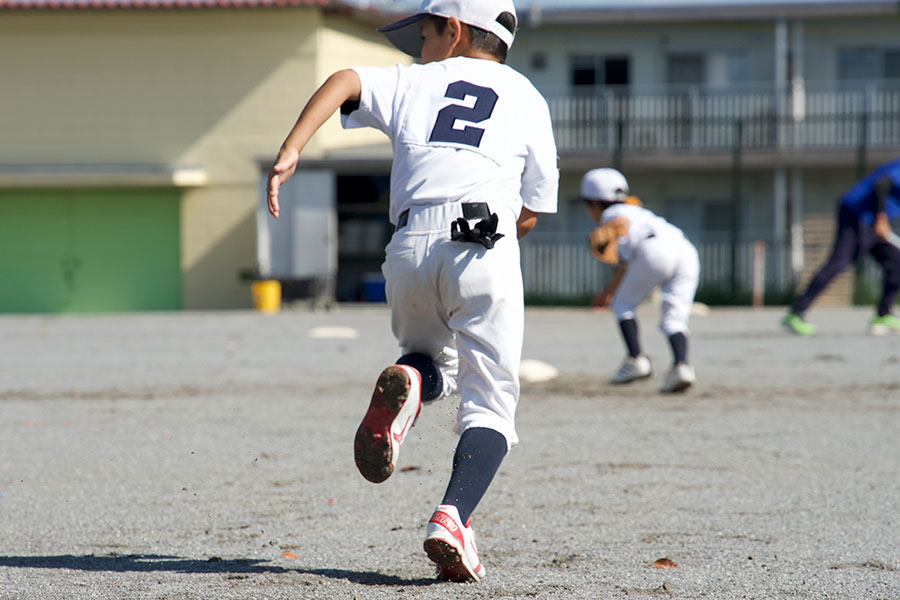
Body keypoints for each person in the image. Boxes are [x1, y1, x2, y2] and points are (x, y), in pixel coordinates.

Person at [266, 0, 558, 583]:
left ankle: (413, 382)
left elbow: (344, 79)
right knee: (490, 400)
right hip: (482, 240)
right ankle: (453, 518)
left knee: (430, 360)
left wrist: (292, 147)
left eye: (422, 37)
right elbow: (533, 210)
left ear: (453, 30)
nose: (420, 51)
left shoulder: (415, 82)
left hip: (408, 244)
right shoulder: (528, 95)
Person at [582, 168, 700, 394]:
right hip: (686, 250)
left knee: (622, 305)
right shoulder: (639, 212)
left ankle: (636, 359)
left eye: (587, 205)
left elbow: (625, 266)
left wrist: (609, 294)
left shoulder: (610, 216)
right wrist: (609, 292)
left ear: (594, 203)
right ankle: (682, 367)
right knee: (674, 318)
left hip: (653, 250)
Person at [783, 158, 900, 336]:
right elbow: (881, 184)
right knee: (838, 263)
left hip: (874, 222)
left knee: (896, 265)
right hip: (857, 216)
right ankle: (796, 313)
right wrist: (881, 218)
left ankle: (883, 315)